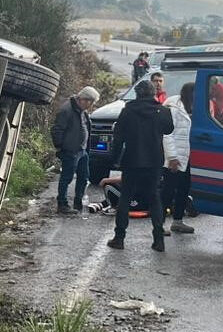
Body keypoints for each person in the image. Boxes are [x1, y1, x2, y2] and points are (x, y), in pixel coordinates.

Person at [106, 79, 174, 251]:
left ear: (137, 94)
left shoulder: (128, 111)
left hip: (132, 160)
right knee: (154, 198)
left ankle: (119, 237)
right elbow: (169, 129)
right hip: (154, 161)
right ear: (153, 93)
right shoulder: (162, 111)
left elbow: (118, 138)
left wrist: (114, 159)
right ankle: (159, 239)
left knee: (125, 197)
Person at [51, 86, 99, 213]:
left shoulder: (81, 110)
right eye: (90, 102)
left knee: (84, 177)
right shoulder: (66, 110)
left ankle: (78, 201)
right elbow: (57, 130)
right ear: (83, 99)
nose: (90, 105)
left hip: (82, 150)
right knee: (66, 178)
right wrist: (61, 147)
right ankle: (62, 204)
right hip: (70, 150)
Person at [163, 82, 195, 234]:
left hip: (186, 156)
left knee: (183, 189)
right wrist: (172, 158)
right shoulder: (174, 108)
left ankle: (178, 221)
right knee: (168, 191)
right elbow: (167, 134)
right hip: (174, 158)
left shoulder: (191, 108)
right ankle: (159, 223)